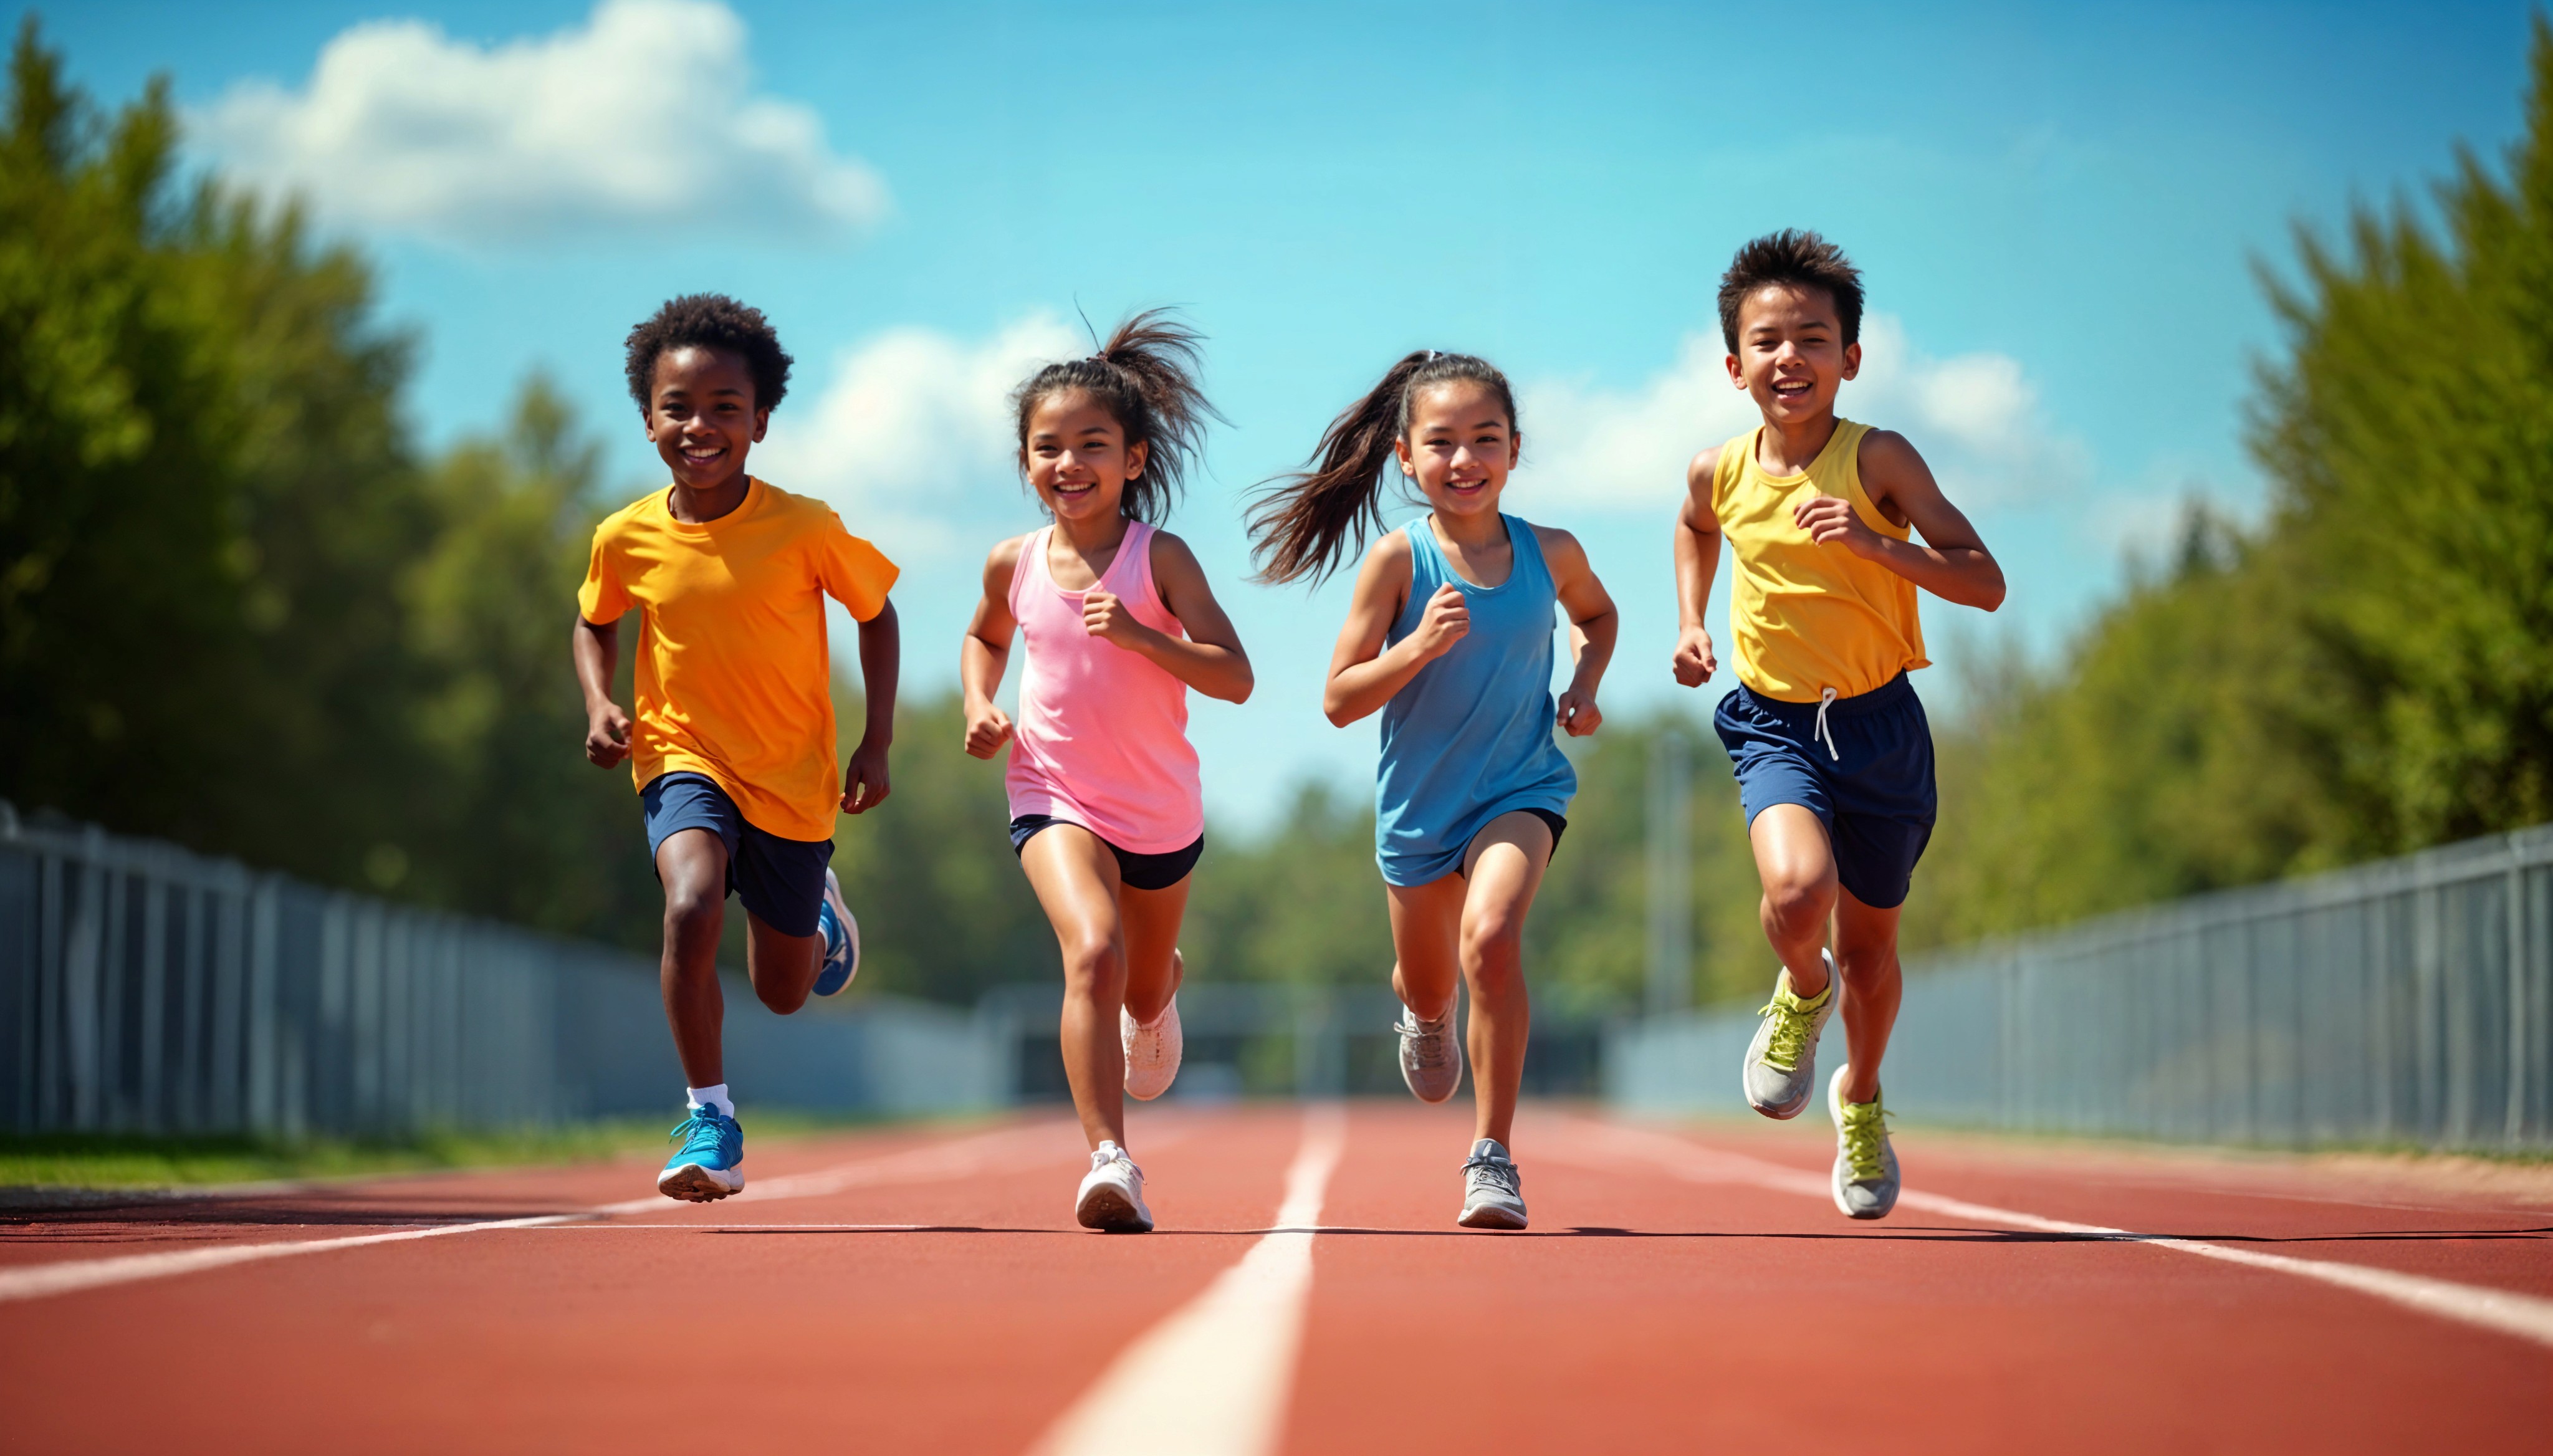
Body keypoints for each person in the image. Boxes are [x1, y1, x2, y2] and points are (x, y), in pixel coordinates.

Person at [1670, 231, 2005, 1220]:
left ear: (1849, 358)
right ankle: (1797, 991)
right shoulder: (1719, 472)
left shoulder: (1881, 458)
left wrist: (1873, 543)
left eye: (1813, 338)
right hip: (1773, 721)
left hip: (1881, 728)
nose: (1790, 358)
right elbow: (1694, 526)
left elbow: (1984, 583)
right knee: (1796, 887)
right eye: (1767, 341)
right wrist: (1691, 622)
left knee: (1872, 955)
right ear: (1735, 365)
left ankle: (1859, 1093)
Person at [1250, 350, 1617, 1230]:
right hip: (1418, 812)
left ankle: (1492, 1158)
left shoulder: (1552, 551)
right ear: (1407, 460)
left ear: (1515, 450)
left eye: (1485, 439)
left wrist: (1584, 685)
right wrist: (1414, 649)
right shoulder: (1397, 561)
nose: (1465, 459)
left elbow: (1597, 617)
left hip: (1521, 788)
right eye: (1443, 443)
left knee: (1490, 938)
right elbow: (1339, 699)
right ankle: (1424, 1010)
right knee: (1433, 977)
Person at [573, 294, 901, 1202]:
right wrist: (601, 700)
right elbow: (593, 620)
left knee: (785, 991)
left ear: (761, 421)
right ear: (648, 420)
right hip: (682, 756)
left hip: (794, 780)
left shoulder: (804, 528)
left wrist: (875, 742)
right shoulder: (626, 536)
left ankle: (820, 914)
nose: (701, 426)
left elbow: (877, 616)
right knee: (690, 902)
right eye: (679, 407)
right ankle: (711, 1118)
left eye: (726, 407)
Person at [960, 311, 1252, 1233]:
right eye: (1048, 446)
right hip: (1051, 793)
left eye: (1093, 444)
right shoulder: (1014, 561)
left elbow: (1236, 677)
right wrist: (980, 702)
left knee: (1138, 973)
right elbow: (984, 636)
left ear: (1133, 459)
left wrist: (1135, 634)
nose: (1068, 462)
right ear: (1026, 461)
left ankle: (1159, 992)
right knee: (1091, 949)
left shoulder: (1157, 558)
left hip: (1159, 808)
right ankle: (1109, 1159)